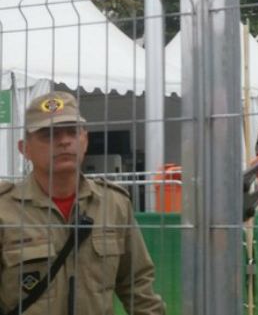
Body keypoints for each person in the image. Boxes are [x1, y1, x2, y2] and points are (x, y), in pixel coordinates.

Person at [0, 91, 165, 315]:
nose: (64, 141)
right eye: (49, 134)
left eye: (72, 132)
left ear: (85, 140)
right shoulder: (5, 210)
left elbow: (138, 287)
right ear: (24, 149)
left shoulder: (113, 204)